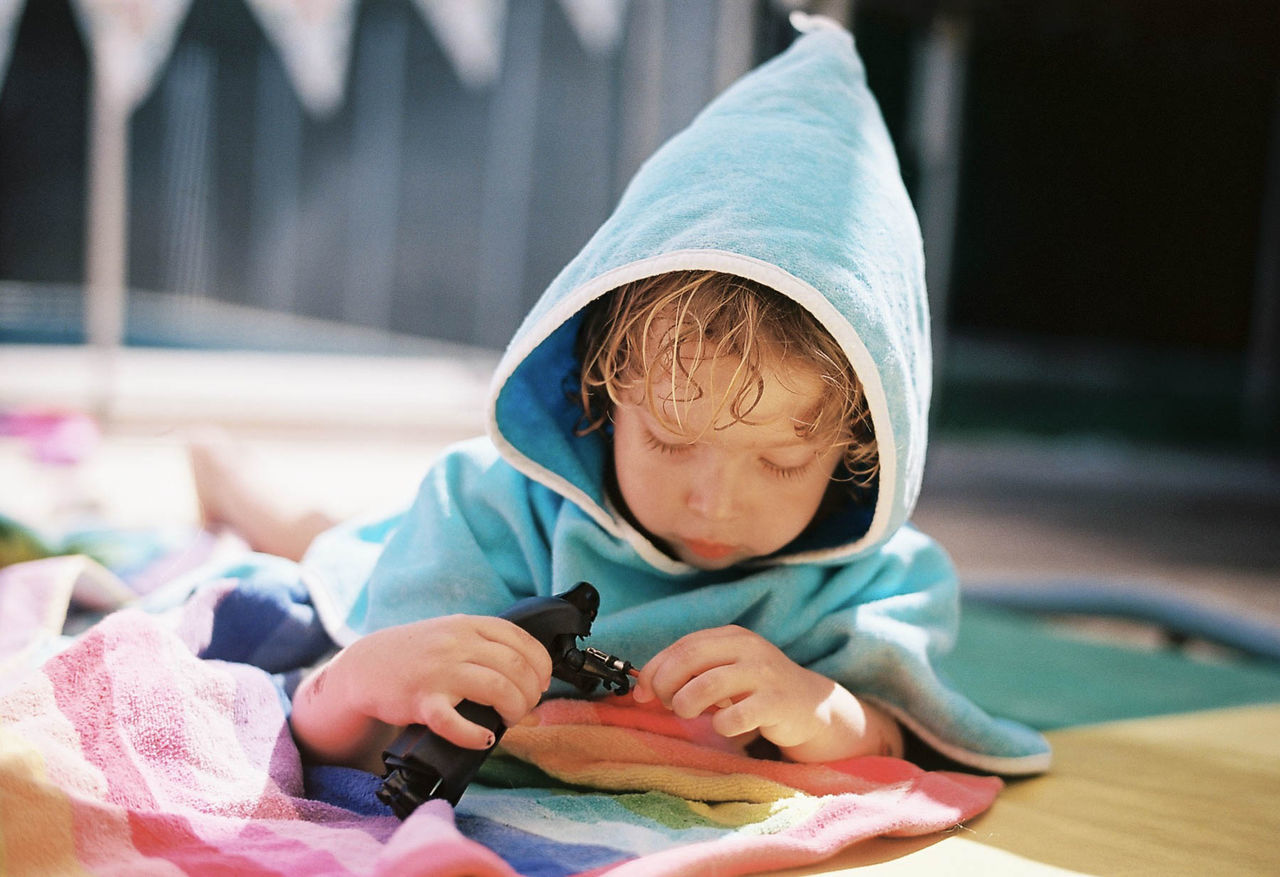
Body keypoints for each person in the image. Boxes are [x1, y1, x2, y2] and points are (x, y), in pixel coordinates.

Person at [288, 17, 1052, 778]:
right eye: (669, 441)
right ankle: (253, 499)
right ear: (601, 391)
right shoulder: (483, 511)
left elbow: (901, 737)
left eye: (782, 461)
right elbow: (337, 737)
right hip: (399, 540)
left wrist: (819, 705)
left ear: (863, 445)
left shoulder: (873, 584)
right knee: (317, 550)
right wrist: (356, 682)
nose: (714, 503)